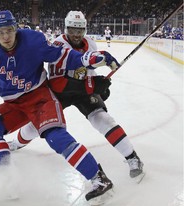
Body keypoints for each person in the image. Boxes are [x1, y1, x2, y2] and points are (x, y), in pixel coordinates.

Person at [0, 10, 120, 205]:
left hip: (40, 98)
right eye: (0, 32)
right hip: (14, 104)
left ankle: (99, 179)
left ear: (16, 29)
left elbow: (63, 56)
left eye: (9, 31)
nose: (6, 37)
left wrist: (92, 57)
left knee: (55, 135)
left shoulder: (34, 41)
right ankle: (8, 181)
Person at [8, 11, 144, 183]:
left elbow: (89, 72)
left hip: (82, 91)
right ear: (66, 28)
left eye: (80, 30)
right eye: (73, 30)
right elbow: (58, 83)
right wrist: (93, 85)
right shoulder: (58, 44)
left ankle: (132, 157)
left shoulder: (91, 44)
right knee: (37, 125)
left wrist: (99, 85)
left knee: (103, 119)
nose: (76, 34)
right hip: (61, 91)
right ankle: (17, 143)